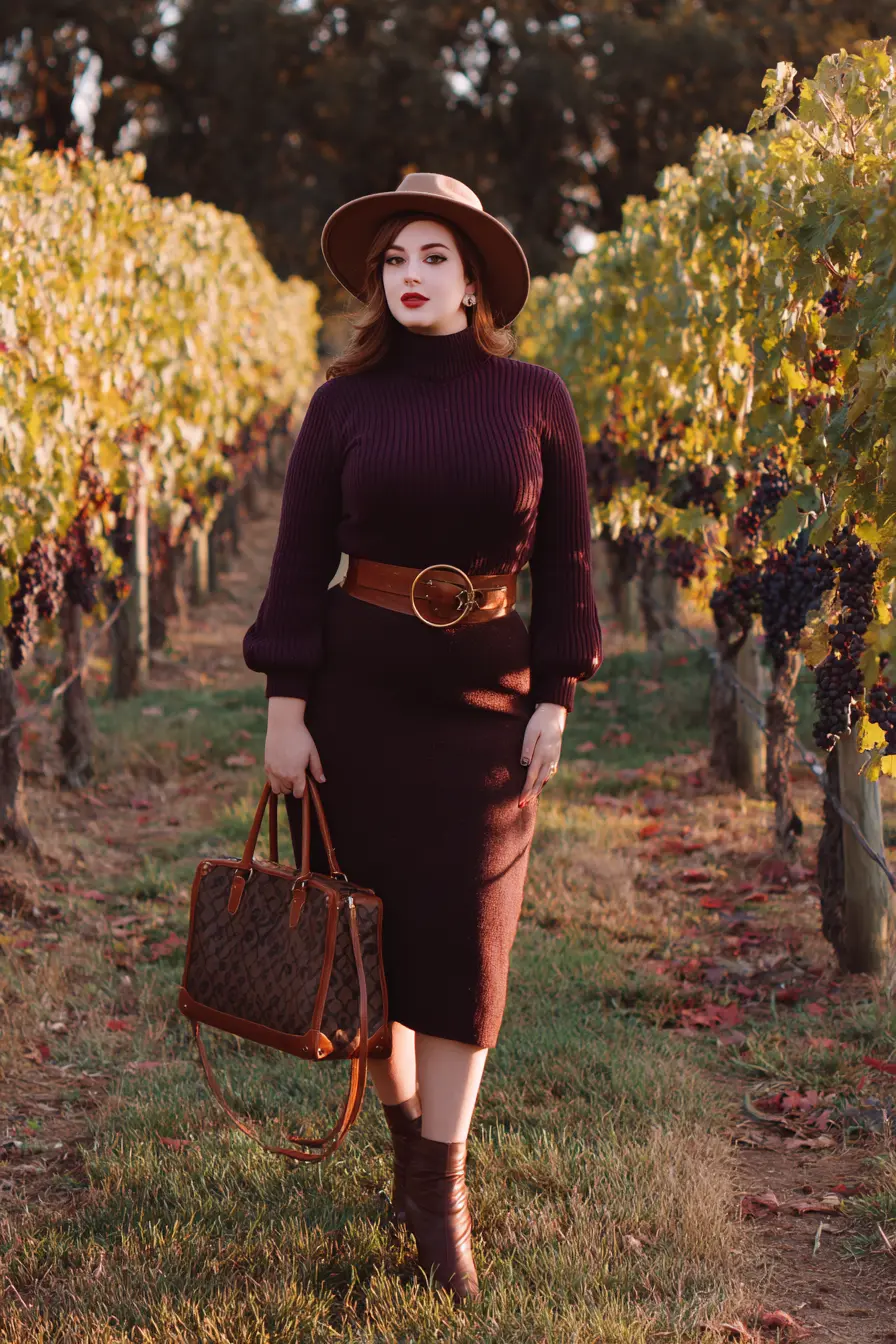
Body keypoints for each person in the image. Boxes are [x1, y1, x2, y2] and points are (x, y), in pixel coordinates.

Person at [242, 172, 603, 1304]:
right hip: (359, 703)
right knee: (368, 952)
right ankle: (407, 1160)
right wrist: (285, 710)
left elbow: (568, 561)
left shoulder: (535, 397)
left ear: (474, 278)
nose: (409, 275)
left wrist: (556, 692)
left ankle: (440, 1199)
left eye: (433, 257)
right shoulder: (341, 406)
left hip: (487, 709)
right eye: (394, 257)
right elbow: (299, 559)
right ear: (375, 279)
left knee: (465, 946)